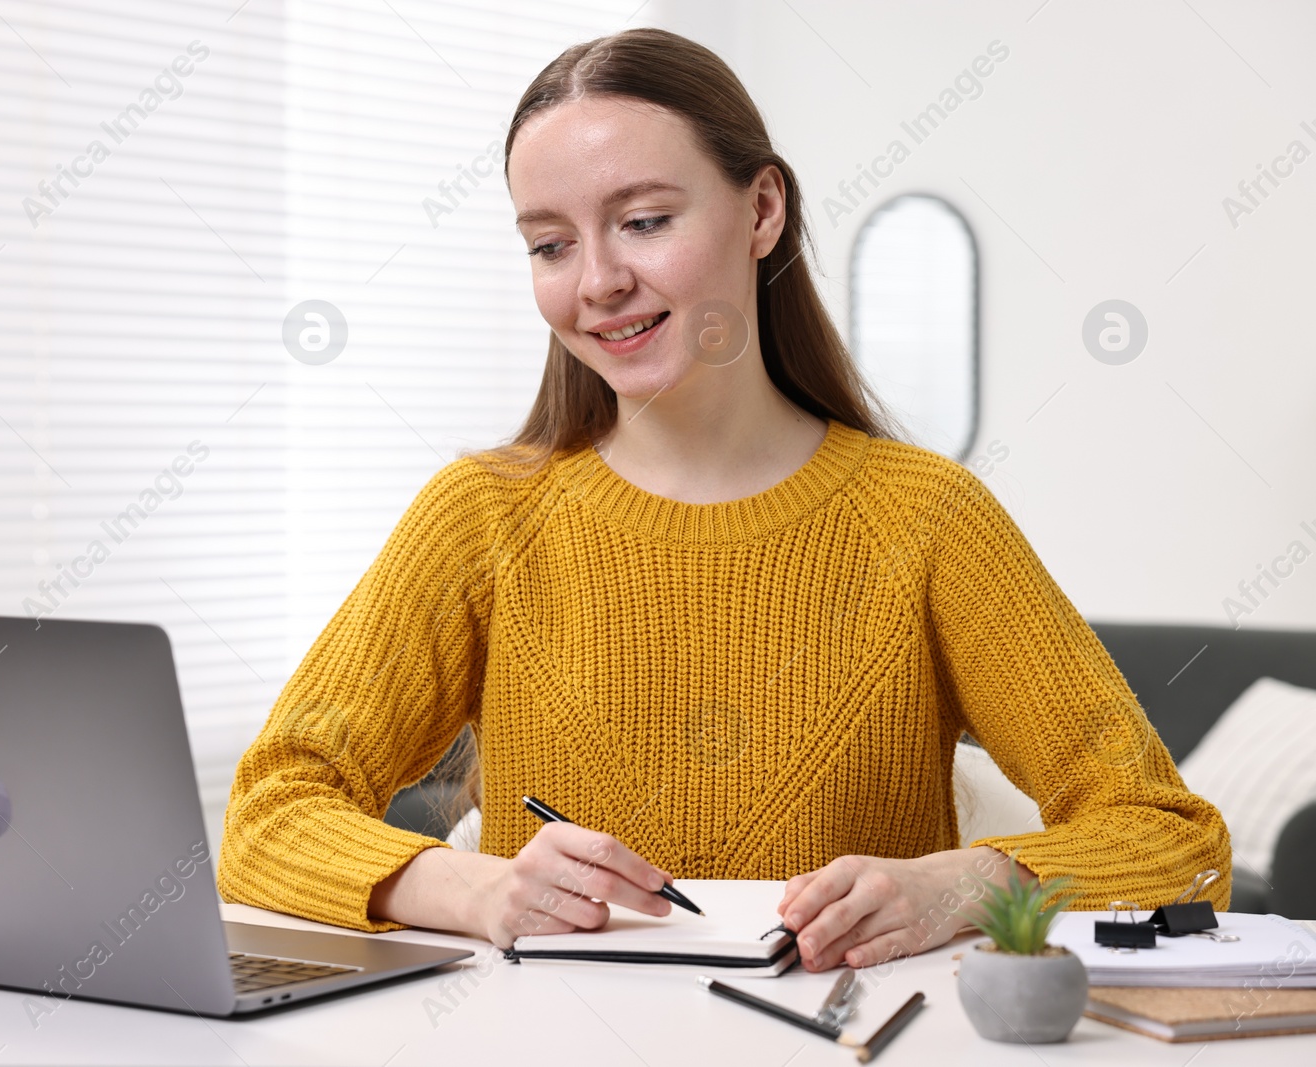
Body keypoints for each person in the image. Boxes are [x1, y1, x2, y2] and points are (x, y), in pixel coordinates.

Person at [218, 27, 1230, 973]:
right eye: (549, 243)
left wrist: (961, 881)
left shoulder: (929, 518)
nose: (598, 280)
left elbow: (1171, 839)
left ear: (761, 211)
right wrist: (477, 886)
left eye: (644, 221)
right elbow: (267, 813)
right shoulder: (482, 516)